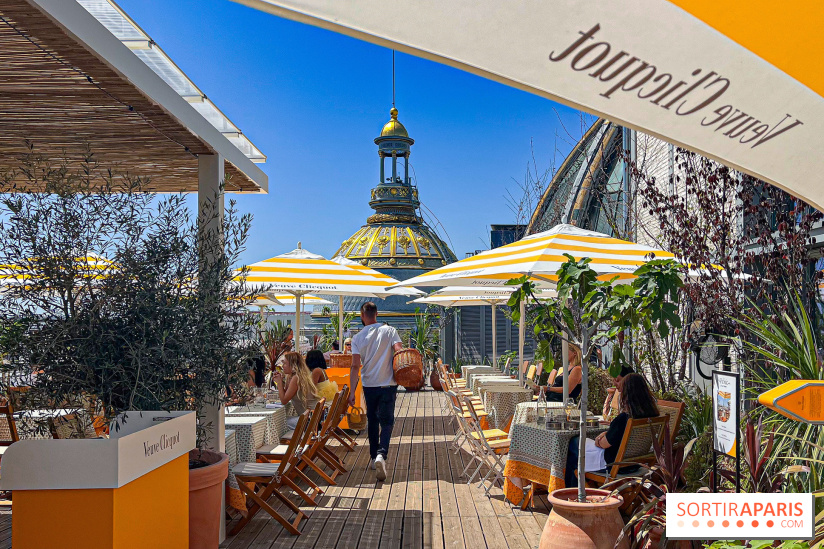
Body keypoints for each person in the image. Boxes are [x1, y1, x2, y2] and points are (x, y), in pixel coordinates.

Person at [564, 373, 660, 487]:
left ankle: (572, 492)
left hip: (613, 464)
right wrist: (607, 433)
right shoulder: (653, 416)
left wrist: (598, 439)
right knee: (576, 452)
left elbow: (604, 444)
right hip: (636, 464)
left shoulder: (624, 418)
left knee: (574, 444)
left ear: (626, 394)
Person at [348, 302, 402, 481]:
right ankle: (381, 454)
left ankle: (373, 458)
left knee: (372, 420)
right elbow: (399, 352)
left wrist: (351, 392)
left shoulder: (357, 338)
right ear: (376, 314)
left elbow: (355, 366)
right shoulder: (390, 330)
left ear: (362, 316)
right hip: (388, 383)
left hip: (369, 385)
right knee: (386, 422)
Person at [273, 351, 320, 430]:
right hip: (312, 417)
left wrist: (279, 383)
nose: (282, 366)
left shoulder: (296, 378)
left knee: (276, 424)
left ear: (292, 365)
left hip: (310, 421)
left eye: (285, 363)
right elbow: (285, 396)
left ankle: (284, 442)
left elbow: (284, 400)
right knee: (279, 422)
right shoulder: (293, 376)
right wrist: (281, 381)